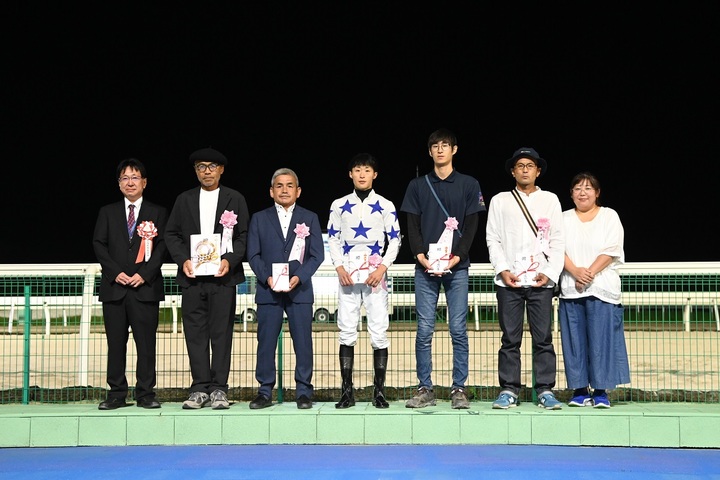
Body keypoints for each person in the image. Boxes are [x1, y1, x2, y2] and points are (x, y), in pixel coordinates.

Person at [400, 128, 486, 409]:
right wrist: (420, 256)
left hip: (457, 268)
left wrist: (457, 257)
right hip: (425, 268)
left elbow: (472, 225)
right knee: (424, 330)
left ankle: (459, 388)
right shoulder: (417, 185)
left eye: (445, 145)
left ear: (454, 150)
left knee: (458, 329)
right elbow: (412, 225)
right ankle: (425, 388)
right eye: (435, 146)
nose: (440, 150)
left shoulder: (469, 184)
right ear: (429, 151)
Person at [165, 147, 249, 410]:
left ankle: (219, 389)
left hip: (223, 279)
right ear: (195, 171)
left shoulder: (235, 198)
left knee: (222, 334)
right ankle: (199, 388)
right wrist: (183, 260)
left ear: (221, 170)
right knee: (195, 334)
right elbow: (171, 234)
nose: (207, 171)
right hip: (192, 279)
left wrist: (229, 260)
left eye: (212, 166)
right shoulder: (184, 199)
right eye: (201, 167)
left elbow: (243, 235)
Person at [485, 147, 565, 410]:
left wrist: (550, 272)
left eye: (530, 166)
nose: (525, 170)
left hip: (541, 280)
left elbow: (558, 240)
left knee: (543, 338)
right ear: (513, 171)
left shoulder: (550, 200)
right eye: (520, 166)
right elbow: (493, 238)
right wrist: (502, 269)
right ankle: (509, 389)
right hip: (510, 281)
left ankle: (545, 390)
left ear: (538, 171)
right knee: (510, 339)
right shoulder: (500, 200)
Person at [327, 153, 402, 409]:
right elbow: (333, 238)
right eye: (357, 170)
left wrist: (382, 268)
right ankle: (346, 392)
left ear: (375, 174)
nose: (362, 174)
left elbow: (395, 239)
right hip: (348, 277)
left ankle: (379, 392)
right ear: (350, 174)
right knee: (346, 331)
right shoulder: (338, 205)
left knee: (379, 332)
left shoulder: (386, 205)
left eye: (367, 170)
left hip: (375, 278)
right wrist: (338, 267)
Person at [92, 158, 168, 410]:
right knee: (115, 345)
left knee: (146, 345)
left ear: (144, 182)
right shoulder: (107, 212)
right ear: (119, 184)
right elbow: (99, 244)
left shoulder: (158, 212)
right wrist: (115, 273)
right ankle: (116, 393)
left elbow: (162, 247)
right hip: (115, 288)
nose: (130, 182)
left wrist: (144, 274)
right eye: (125, 178)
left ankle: (146, 393)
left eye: (135, 177)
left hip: (144, 289)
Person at [246, 168, 324, 409]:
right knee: (266, 341)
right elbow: (253, 254)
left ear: (298, 191)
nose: (284, 190)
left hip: (299, 290)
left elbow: (317, 255)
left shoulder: (310, 217)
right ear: (271, 191)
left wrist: (299, 277)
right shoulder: (259, 218)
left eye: (290, 185)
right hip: (268, 289)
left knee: (303, 341)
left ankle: (304, 391)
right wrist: (267, 277)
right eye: (279, 186)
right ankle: (264, 391)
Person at [559, 172, 630, 408]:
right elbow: (555, 249)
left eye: (588, 188)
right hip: (571, 288)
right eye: (577, 188)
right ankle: (579, 390)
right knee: (574, 342)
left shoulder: (609, 216)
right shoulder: (563, 218)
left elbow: (612, 249)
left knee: (602, 341)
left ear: (597, 193)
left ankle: (601, 391)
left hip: (601, 288)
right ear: (571, 194)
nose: (583, 192)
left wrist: (587, 273)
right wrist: (575, 272)